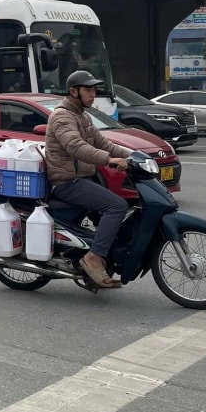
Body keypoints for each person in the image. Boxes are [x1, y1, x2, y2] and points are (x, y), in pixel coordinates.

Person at [44, 70, 134, 288]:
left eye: (94, 90)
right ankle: (92, 258)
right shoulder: (62, 116)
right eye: (88, 90)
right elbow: (75, 146)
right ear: (73, 92)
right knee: (117, 206)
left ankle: (101, 255)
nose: (93, 94)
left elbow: (103, 142)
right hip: (66, 182)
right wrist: (109, 160)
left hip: (83, 178)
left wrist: (131, 155)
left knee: (114, 211)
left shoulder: (82, 116)